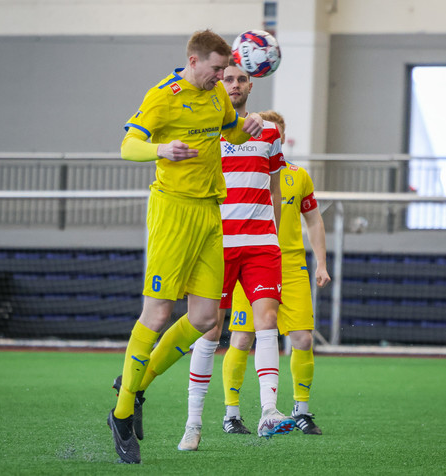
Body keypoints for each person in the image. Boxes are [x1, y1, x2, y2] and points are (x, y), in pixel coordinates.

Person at [107, 29, 264, 464]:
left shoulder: (216, 97)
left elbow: (231, 132)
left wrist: (247, 126)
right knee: (158, 313)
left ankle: (135, 386)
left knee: (205, 318)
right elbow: (127, 146)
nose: (222, 77)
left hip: (210, 212)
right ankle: (122, 414)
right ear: (193, 61)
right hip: (173, 212)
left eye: (226, 70)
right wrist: (162, 149)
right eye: (216, 69)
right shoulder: (164, 95)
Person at [177, 60, 295, 452]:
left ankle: (269, 411)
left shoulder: (270, 132)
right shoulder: (208, 130)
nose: (234, 84)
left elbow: (275, 188)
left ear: (250, 85)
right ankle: (193, 423)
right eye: (227, 78)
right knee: (210, 329)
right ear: (218, 83)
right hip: (217, 244)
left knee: (267, 321)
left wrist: (274, 234)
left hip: (261, 244)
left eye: (241, 79)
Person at [222, 110, 331, 436]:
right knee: (242, 337)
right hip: (251, 261)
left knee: (303, 338)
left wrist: (321, 263)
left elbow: (314, 220)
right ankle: (231, 413)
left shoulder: (298, 176)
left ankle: (301, 410)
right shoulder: (245, 169)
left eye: (277, 132)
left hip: (291, 264)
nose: (273, 136)